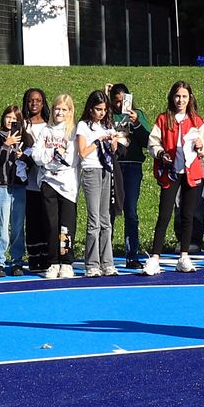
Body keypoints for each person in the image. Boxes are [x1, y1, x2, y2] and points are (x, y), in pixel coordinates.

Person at [148, 81, 204, 273]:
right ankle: (155, 258)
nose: (180, 100)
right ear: (172, 97)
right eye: (177, 96)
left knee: (188, 215)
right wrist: (160, 153)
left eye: (184, 96)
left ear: (190, 98)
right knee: (164, 214)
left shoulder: (197, 120)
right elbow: (153, 143)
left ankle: (184, 256)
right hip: (171, 172)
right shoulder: (163, 119)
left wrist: (200, 146)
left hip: (191, 172)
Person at [27, 92, 80, 278]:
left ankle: (66, 262)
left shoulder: (73, 132)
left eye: (64, 109)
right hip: (48, 182)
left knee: (66, 226)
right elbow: (36, 155)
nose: (59, 112)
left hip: (67, 185)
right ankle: (53, 262)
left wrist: (54, 158)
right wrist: (51, 155)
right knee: (51, 224)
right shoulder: (46, 131)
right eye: (57, 108)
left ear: (70, 111)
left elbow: (71, 160)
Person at [77, 89, 122, 277]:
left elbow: (115, 148)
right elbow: (82, 152)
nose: (101, 113)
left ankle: (107, 262)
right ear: (90, 108)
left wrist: (113, 142)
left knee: (106, 219)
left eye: (104, 109)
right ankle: (92, 264)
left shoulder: (107, 125)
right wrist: (97, 141)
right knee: (94, 219)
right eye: (98, 109)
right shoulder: (83, 126)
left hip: (107, 170)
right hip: (91, 171)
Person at [110, 83, 151, 268]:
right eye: (116, 101)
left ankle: (131, 254)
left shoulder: (138, 114)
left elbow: (148, 141)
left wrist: (136, 123)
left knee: (131, 211)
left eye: (123, 101)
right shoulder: (108, 115)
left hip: (133, 165)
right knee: (110, 210)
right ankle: (105, 254)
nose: (120, 105)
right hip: (114, 166)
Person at [0, 104, 26, 277]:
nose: (11, 121)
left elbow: (31, 160)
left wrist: (22, 155)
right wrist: (6, 145)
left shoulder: (25, 138)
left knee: (17, 226)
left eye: (15, 118)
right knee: (1, 226)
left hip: (19, 186)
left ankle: (17, 260)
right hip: (1, 185)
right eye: (8, 117)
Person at [18, 87, 48, 275]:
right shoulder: (22, 125)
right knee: (33, 221)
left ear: (43, 103)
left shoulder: (49, 125)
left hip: (47, 181)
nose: (34, 103)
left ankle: (48, 257)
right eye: (30, 100)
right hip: (29, 182)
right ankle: (34, 258)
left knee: (47, 220)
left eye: (38, 100)